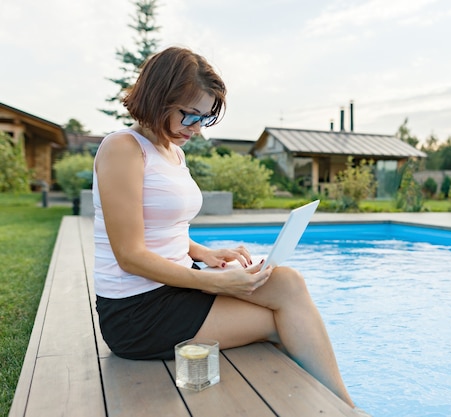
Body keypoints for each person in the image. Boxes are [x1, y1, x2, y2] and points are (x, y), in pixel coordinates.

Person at [93, 46, 368, 414]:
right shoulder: (122, 149)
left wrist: (202, 253)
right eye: (189, 116)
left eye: (204, 118)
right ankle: (339, 410)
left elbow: (160, 227)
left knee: (288, 283)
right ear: (159, 98)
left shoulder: (173, 151)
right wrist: (214, 281)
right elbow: (129, 254)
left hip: (176, 286)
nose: (196, 129)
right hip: (137, 312)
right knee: (281, 322)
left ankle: (343, 406)